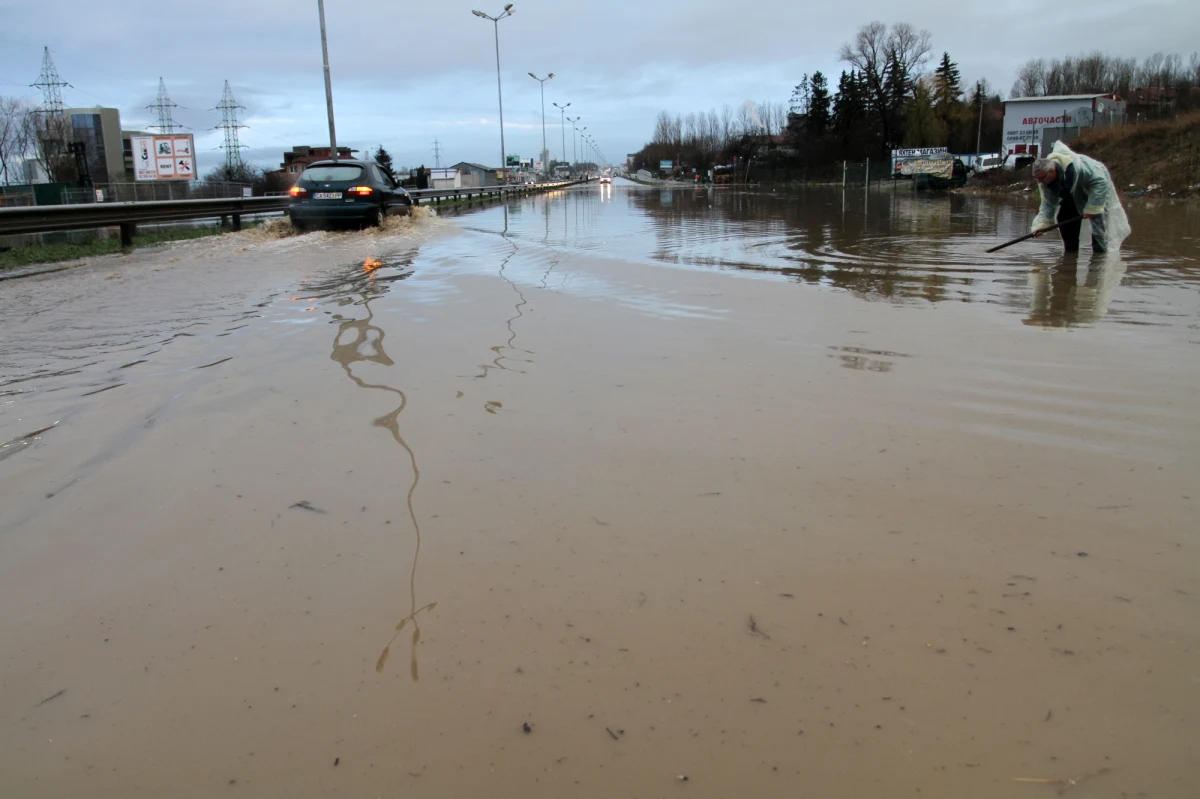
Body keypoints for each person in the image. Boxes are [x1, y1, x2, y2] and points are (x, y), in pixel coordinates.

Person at [1030, 141, 1130, 252]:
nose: (1040, 182)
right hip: (1071, 192)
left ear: (1052, 171)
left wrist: (1093, 207)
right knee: (1063, 217)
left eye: (1042, 178)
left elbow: (1100, 182)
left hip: (1094, 189)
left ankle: (1099, 256)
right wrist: (1041, 225)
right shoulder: (1045, 182)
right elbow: (1048, 203)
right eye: (1037, 179)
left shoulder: (1081, 168)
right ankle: (1070, 254)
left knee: (1098, 222)